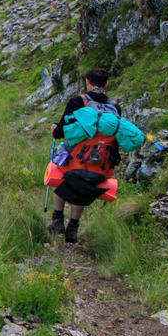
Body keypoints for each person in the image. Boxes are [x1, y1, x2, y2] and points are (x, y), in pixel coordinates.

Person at [49, 68, 122, 243]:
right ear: (106, 84)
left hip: (76, 160)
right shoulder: (115, 107)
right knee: (83, 186)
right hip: (101, 166)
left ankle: (57, 219)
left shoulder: (78, 102)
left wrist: (54, 130)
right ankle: (73, 227)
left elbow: (60, 132)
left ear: (87, 82)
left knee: (59, 166)